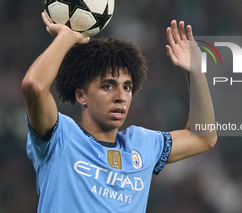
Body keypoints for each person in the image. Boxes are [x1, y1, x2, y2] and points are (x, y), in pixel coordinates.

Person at [21, 12, 217, 213]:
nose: (121, 96)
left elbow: (203, 137)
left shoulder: (142, 145)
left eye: (128, 87)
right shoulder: (60, 136)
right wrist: (67, 37)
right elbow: (33, 86)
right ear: (81, 96)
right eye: (108, 86)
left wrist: (196, 73)